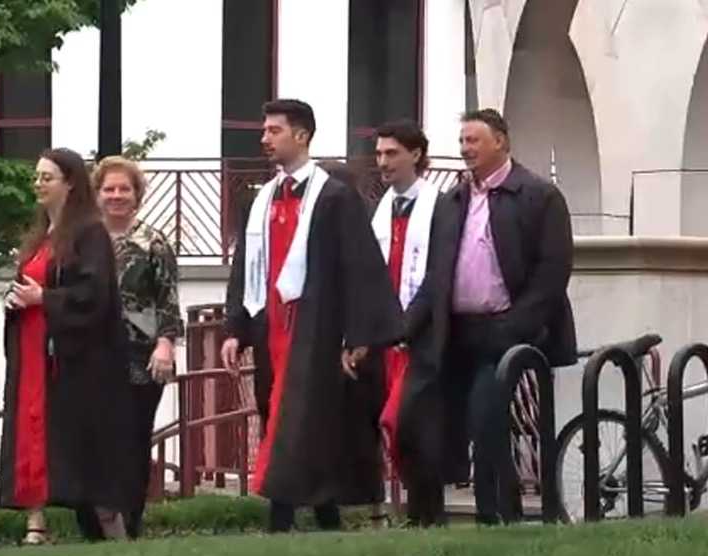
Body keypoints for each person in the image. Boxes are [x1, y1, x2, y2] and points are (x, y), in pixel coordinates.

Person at [221, 99, 403, 533]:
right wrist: (235, 328)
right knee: (277, 415)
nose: (264, 138)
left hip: (316, 328)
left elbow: (359, 268)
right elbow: (247, 265)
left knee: (308, 421)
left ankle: (281, 518)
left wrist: (358, 335)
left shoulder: (335, 197)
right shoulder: (263, 198)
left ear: (300, 135)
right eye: (265, 130)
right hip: (271, 327)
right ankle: (323, 516)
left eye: (273, 130)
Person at [398, 109, 577, 526]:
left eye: (473, 141)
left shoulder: (538, 196)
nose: (465, 150)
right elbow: (436, 273)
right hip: (454, 332)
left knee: (486, 419)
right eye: (462, 142)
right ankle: (426, 516)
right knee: (419, 417)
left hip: (503, 334)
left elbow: (552, 272)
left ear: (501, 142)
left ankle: (494, 516)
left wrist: (515, 328)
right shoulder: (454, 200)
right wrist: (405, 328)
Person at [0, 147, 136, 545]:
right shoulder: (40, 236)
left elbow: (95, 294)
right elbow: (32, 286)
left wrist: (46, 299)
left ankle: (114, 533)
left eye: (47, 177)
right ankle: (35, 525)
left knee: (86, 451)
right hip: (34, 352)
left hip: (76, 361)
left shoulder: (90, 233)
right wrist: (17, 300)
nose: (39, 184)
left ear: (70, 183)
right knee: (31, 435)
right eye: (37, 177)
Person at [93, 156, 183, 539]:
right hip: (93, 355)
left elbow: (168, 300)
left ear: (137, 195)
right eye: (109, 189)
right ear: (97, 195)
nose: (116, 196)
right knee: (97, 440)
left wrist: (165, 344)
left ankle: (130, 521)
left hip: (141, 356)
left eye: (123, 189)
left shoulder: (154, 242)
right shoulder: (84, 241)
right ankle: (98, 521)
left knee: (132, 439)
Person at [368, 120, 441, 526]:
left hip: (421, 334)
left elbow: (436, 274)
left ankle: (426, 512)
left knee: (412, 423)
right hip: (388, 335)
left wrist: (409, 325)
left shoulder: (439, 205)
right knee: (396, 426)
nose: (383, 162)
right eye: (379, 154)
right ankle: (415, 514)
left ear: (415, 154)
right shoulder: (384, 209)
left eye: (391, 153)